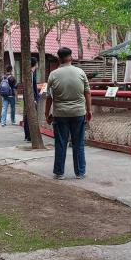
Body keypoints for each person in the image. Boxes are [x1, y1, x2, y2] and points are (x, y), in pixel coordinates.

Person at [45, 47, 92, 179]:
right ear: (70, 57)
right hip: (78, 113)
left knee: (60, 143)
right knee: (78, 143)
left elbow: (49, 97)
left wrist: (46, 114)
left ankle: (59, 172)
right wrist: (89, 110)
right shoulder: (80, 72)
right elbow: (87, 92)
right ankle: (80, 172)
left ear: (58, 59)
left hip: (60, 114)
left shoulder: (53, 75)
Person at [23, 57, 39, 142]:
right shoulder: (31, 74)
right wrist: (34, 99)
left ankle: (27, 135)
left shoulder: (30, 73)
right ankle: (29, 136)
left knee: (27, 116)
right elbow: (31, 88)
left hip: (28, 98)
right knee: (31, 116)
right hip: (31, 99)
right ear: (35, 64)